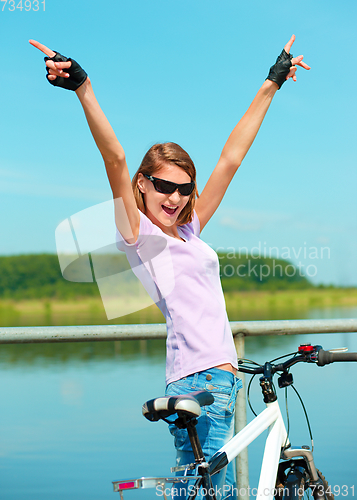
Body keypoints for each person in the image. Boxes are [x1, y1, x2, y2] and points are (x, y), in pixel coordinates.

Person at [30, 36, 310, 499]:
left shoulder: (189, 231)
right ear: (142, 184)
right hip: (202, 381)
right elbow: (115, 158)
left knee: (195, 488)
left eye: (183, 188)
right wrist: (84, 87)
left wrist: (272, 82)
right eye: (162, 185)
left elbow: (231, 159)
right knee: (203, 491)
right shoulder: (137, 234)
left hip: (218, 377)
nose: (175, 197)